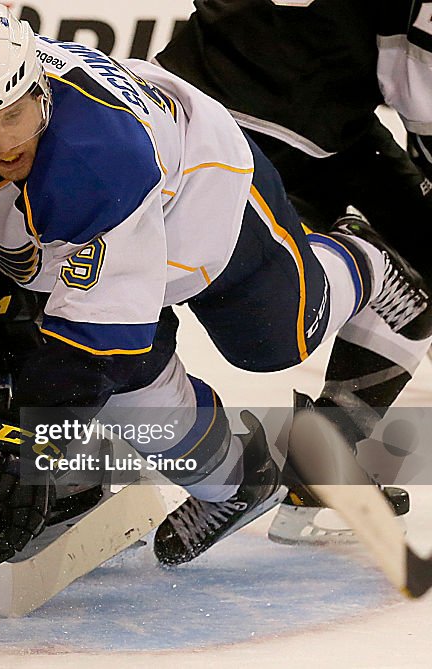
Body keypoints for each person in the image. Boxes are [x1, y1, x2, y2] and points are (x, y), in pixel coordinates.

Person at [0, 1, 432, 566]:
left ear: (39, 89)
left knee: (275, 340)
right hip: (82, 225)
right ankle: (239, 483)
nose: (2, 145)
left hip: (200, 190)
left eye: (13, 116)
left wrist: (26, 442)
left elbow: (101, 348)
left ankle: (367, 261)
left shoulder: (96, 160)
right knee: (128, 396)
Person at [154, 0, 431, 543]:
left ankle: (300, 465)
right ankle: (311, 462)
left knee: (124, 303)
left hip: (182, 94)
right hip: (283, 125)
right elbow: (418, 89)